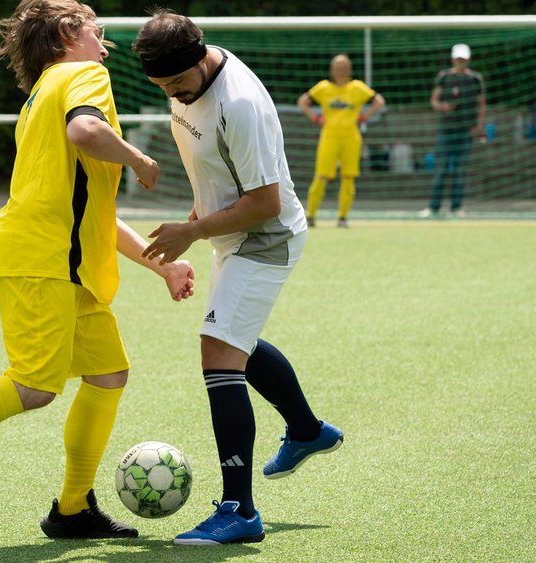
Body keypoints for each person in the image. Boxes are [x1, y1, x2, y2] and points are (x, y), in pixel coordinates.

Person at [0, 0, 195, 539]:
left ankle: (72, 509)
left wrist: (160, 268)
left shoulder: (40, 94)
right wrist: (138, 159)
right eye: (93, 26)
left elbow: (90, 214)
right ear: (68, 33)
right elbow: (86, 133)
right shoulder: (83, 73)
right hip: (44, 262)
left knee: (108, 373)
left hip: (63, 266)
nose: (102, 37)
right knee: (33, 385)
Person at [132, 10, 343, 546]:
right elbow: (211, 164)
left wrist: (190, 233)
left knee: (218, 350)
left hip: (265, 236)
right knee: (233, 341)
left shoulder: (239, 105)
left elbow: (265, 202)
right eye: (162, 87)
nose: (174, 94)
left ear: (201, 58)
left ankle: (239, 510)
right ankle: (307, 430)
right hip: (227, 231)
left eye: (179, 83)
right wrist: (197, 220)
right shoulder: (181, 79)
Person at [297, 54, 385, 228]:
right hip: (329, 136)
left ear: (350, 69)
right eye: (337, 66)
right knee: (321, 176)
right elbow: (302, 102)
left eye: (344, 66)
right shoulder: (323, 88)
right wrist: (315, 118)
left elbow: (379, 102)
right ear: (332, 69)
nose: (341, 69)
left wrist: (365, 116)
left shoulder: (358, 88)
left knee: (348, 177)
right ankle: (311, 216)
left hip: (351, 137)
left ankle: (343, 217)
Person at [420, 43, 486, 218]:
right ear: (452, 60)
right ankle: (433, 208)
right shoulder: (444, 77)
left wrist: (480, 126)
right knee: (441, 170)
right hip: (446, 130)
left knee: (460, 171)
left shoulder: (475, 79)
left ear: (468, 60)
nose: (460, 62)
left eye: (463, 59)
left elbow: (481, 104)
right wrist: (442, 107)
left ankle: (456, 208)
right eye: (458, 59)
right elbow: (433, 100)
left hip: (465, 131)